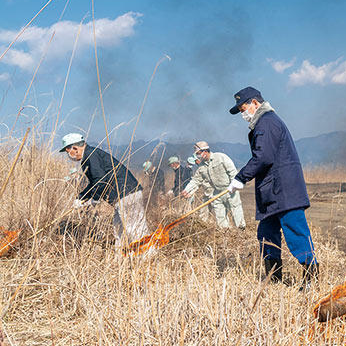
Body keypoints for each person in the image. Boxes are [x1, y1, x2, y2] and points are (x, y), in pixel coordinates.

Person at [227, 86, 318, 290]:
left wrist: (240, 177)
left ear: (255, 103)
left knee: (295, 232)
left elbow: (263, 157)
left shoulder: (266, 122)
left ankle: (311, 278)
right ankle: (273, 279)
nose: (243, 114)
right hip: (272, 193)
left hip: (285, 191)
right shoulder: (263, 123)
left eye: (243, 109)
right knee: (266, 234)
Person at [59, 133, 149, 246]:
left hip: (126, 193)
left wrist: (95, 198)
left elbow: (100, 180)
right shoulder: (90, 155)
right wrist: (82, 197)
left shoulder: (91, 156)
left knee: (135, 230)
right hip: (121, 197)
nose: (69, 156)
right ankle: (122, 258)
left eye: (68, 152)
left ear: (75, 148)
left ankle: (147, 256)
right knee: (119, 229)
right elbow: (95, 182)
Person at [182, 141, 246, 230]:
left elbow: (232, 172)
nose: (198, 156)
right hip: (216, 193)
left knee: (236, 212)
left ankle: (241, 234)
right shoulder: (201, 166)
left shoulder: (221, 157)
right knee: (220, 216)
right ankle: (225, 234)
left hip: (230, 190)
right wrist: (188, 190)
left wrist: (234, 185)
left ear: (205, 151)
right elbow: (196, 180)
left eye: (198, 153)